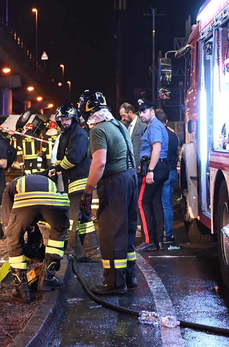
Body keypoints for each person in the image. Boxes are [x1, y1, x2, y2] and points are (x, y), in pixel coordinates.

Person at [77, 90, 138, 295]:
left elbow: (100, 162)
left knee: (110, 233)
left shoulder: (98, 130)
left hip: (115, 182)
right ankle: (130, 278)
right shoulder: (118, 125)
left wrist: (87, 192)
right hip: (130, 178)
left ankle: (113, 283)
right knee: (127, 230)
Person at [1, 174, 70, 302]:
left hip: (27, 202)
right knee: (58, 234)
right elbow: (42, 212)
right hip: (55, 202)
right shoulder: (46, 181)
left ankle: (21, 289)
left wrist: (14, 231)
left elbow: (7, 219)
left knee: (14, 238)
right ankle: (48, 279)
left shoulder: (11, 187)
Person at [49, 104, 99, 259]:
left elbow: (73, 157)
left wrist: (59, 167)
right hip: (75, 182)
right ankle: (91, 250)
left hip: (80, 182)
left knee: (72, 217)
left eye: (67, 118)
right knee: (84, 218)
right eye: (62, 119)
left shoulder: (79, 134)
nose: (64, 122)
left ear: (74, 118)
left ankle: (68, 249)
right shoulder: (67, 134)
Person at [136, 100, 170, 252]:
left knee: (142, 202)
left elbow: (156, 148)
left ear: (152, 111)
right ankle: (158, 240)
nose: (141, 114)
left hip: (154, 167)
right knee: (156, 203)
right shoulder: (156, 126)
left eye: (144, 111)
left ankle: (149, 240)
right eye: (140, 112)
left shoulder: (154, 126)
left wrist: (150, 170)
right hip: (161, 167)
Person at [155, 109, 180, 244]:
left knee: (162, 204)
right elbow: (177, 152)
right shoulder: (174, 135)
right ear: (167, 121)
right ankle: (168, 233)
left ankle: (165, 232)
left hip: (163, 172)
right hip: (173, 171)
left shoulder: (159, 135)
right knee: (168, 203)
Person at [119, 102, 147, 172]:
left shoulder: (143, 125)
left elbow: (145, 146)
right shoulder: (124, 126)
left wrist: (142, 165)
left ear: (130, 112)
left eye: (123, 115)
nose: (122, 119)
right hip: (126, 168)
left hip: (139, 168)